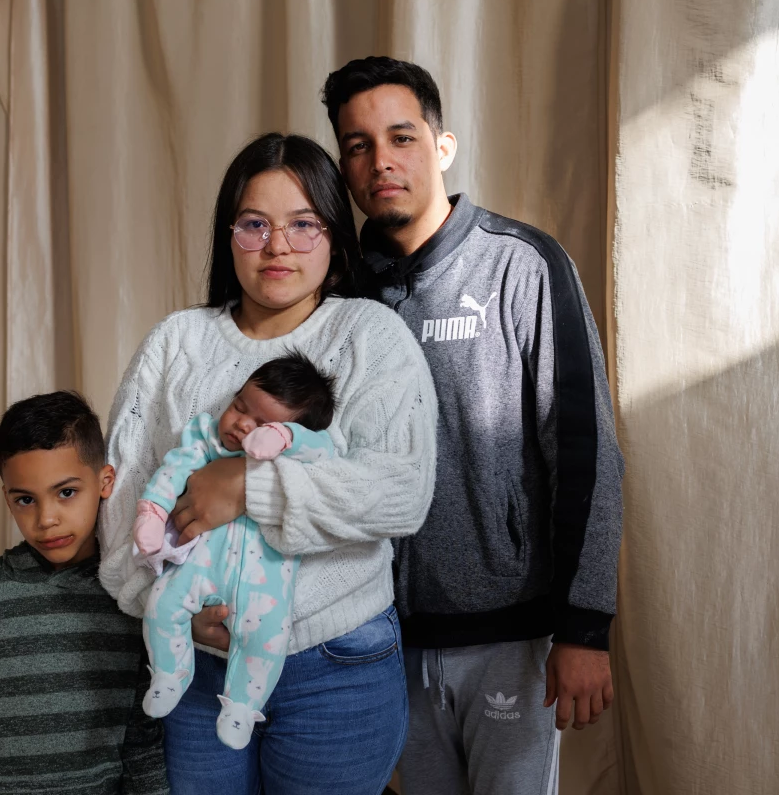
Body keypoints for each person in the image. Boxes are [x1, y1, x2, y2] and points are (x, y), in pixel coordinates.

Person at [97, 132, 437, 795]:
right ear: (229, 236)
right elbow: (122, 505)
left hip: (334, 664)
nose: (277, 246)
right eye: (255, 224)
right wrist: (163, 606)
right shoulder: (177, 344)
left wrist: (250, 486)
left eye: (303, 225)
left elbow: (402, 493)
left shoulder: (369, 336)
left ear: (335, 238)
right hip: (198, 663)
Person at [321, 57, 625, 795]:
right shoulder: (337, 293)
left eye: (401, 137)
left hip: (511, 638)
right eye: (358, 145)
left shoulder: (521, 267)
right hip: (378, 641)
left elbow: (586, 454)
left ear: (443, 146)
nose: (381, 161)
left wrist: (584, 627)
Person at [0, 391, 167, 795]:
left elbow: (143, 736)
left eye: (66, 492)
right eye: (25, 500)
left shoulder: (130, 597)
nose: (46, 520)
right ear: (7, 498)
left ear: (104, 482)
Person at [134, 353, 337, 751]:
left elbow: (323, 451)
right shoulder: (206, 437)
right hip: (199, 561)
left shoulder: (300, 449)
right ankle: (169, 675)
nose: (242, 423)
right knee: (161, 605)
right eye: (239, 406)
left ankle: (243, 706)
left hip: (266, 577)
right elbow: (175, 469)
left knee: (265, 639)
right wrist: (153, 510)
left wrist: (285, 439)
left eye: (263, 423)